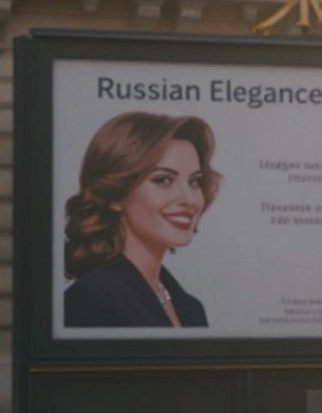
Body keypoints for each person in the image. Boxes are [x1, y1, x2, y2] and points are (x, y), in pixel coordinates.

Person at [62, 112, 220, 328]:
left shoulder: (190, 308)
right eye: (163, 180)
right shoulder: (90, 299)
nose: (190, 198)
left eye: (194, 181)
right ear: (116, 194)